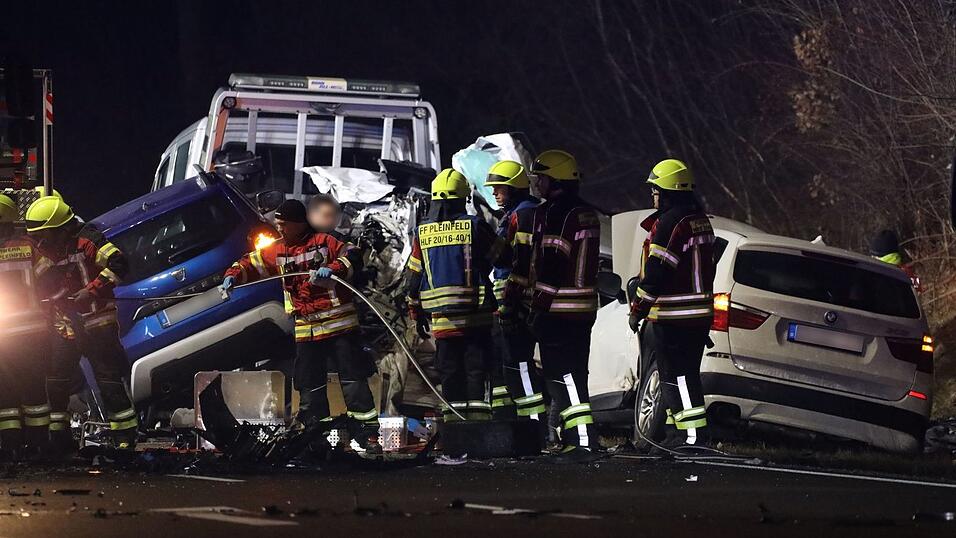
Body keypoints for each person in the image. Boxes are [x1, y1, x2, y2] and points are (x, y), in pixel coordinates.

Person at [220, 199, 381, 451]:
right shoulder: (278, 250)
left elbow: (353, 256)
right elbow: (249, 263)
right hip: (307, 328)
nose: (280, 229)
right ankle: (316, 439)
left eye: (284, 225)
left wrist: (333, 268)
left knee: (353, 382)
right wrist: (231, 277)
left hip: (339, 325)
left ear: (297, 223)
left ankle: (368, 437)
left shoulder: (325, 242)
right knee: (309, 385)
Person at [25, 195, 138, 453]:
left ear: (62, 229)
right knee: (55, 379)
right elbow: (41, 280)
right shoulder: (48, 249)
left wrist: (92, 291)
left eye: (46, 235)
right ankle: (58, 437)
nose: (41, 242)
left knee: (107, 378)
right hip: (65, 324)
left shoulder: (89, 240)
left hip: (96, 322)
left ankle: (125, 436)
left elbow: (119, 264)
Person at [628, 159, 716, 449]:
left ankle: (691, 437)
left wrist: (637, 308)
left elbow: (657, 273)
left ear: (667, 191)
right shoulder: (700, 221)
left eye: (655, 190)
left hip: (674, 317)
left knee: (675, 378)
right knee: (685, 376)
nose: (653, 195)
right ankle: (677, 435)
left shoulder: (670, 223)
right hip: (698, 316)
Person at [406, 169, 503, 422]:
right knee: (476, 373)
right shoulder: (475, 226)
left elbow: (413, 279)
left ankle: (454, 432)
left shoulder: (422, 233)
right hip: (476, 320)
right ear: (463, 198)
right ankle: (478, 431)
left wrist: (416, 313)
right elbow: (502, 257)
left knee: (450, 375)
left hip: (442, 323)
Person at [524, 150, 601, 463]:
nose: (537, 183)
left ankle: (581, 442)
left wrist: (538, 306)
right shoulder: (585, 212)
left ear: (555, 180)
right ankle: (579, 440)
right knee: (574, 375)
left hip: (559, 309)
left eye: (541, 177)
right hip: (582, 310)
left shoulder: (557, 213)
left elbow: (553, 262)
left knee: (561, 376)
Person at [485, 161, 541, 421]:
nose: (495, 194)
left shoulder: (525, 214)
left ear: (516, 188)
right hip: (508, 299)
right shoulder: (513, 214)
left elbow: (514, 260)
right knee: (507, 363)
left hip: (517, 300)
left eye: (500, 189)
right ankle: (510, 421)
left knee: (519, 362)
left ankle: (533, 422)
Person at [0, 194, 52, 460]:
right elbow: (50, 278)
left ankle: (10, 446)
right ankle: (39, 445)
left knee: (6, 393)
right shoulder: (29, 248)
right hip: (33, 334)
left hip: (4, 338)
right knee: (34, 390)